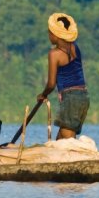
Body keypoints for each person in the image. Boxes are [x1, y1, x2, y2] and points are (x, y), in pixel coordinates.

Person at [37, 12, 90, 140]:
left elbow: (51, 84)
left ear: (56, 35)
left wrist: (43, 95)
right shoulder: (75, 47)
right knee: (60, 141)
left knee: (68, 142)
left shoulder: (54, 54)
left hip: (71, 98)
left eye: (50, 33)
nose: (49, 35)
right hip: (83, 96)